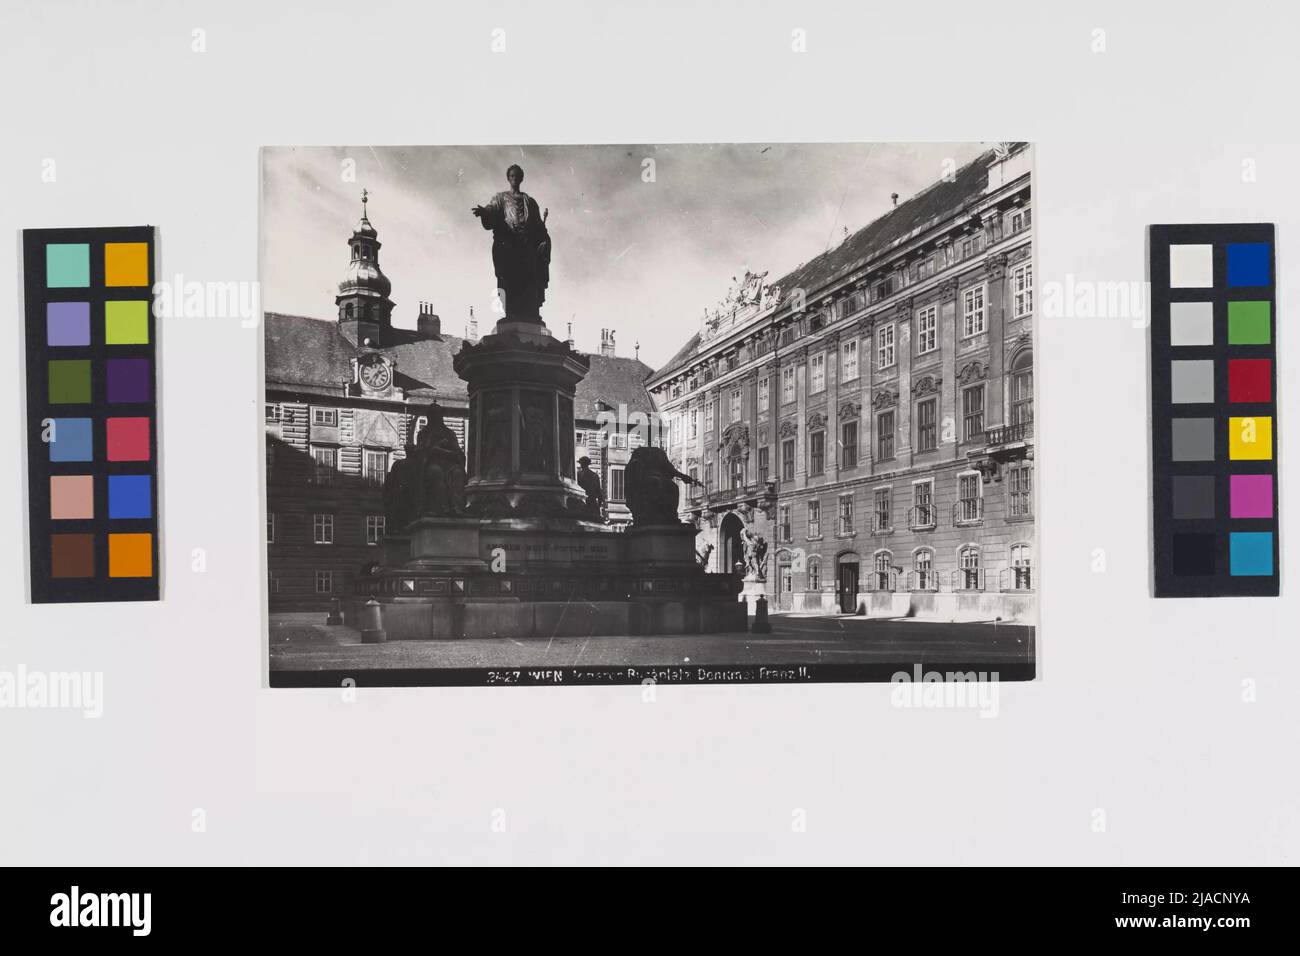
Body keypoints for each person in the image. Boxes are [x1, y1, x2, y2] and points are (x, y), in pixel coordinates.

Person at [471, 164, 551, 322]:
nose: (514, 179)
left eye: (517, 176)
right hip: (508, 247)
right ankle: (511, 314)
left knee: (529, 280)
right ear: (508, 178)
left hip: (527, 248)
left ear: (521, 178)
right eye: (512, 176)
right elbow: (492, 209)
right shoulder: (500, 198)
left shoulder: (530, 202)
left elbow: (538, 227)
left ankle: (530, 314)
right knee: (509, 279)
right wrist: (485, 213)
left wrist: (543, 239)